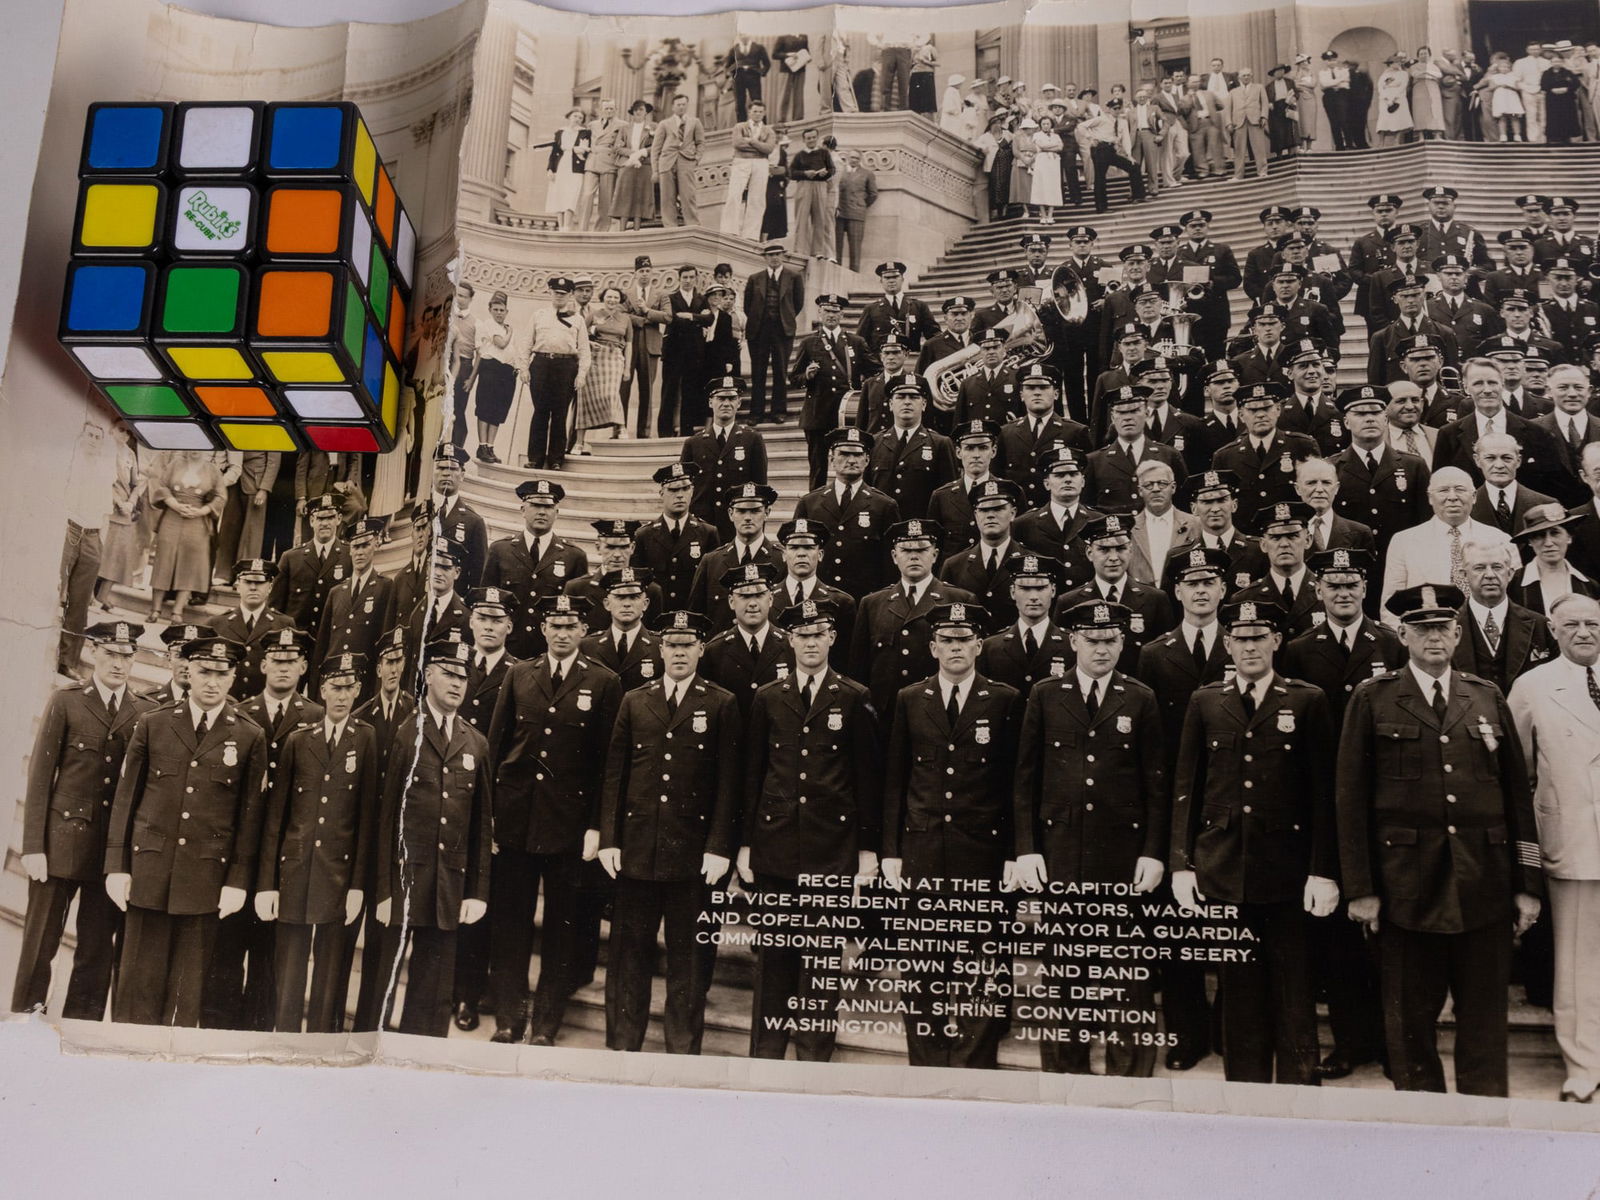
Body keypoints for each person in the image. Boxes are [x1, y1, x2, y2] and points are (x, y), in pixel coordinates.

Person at [1338, 583, 1543, 1096]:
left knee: (1484, 1021)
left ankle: (1485, 1123)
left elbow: (1518, 798)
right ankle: (1421, 1120)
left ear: (1457, 634)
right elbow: (1350, 800)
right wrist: (1361, 888)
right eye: (1422, 628)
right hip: (1407, 889)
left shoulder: (1485, 695)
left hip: (1484, 885)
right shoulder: (1374, 697)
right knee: (1410, 1023)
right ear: (1402, 634)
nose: (1434, 637)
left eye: (1443, 628)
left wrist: (1527, 885)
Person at [1170, 599, 1339, 1085]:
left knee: (1293, 988)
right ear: (1228, 644)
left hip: (1287, 872)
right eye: (1241, 638)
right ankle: (1245, 1092)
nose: (1250, 646)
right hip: (1224, 869)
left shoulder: (1306, 700)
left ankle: (1299, 1090)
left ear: (1276, 642)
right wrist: (1182, 863)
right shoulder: (1206, 701)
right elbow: (1189, 786)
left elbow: (1324, 794)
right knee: (1238, 991)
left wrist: (1322, 869)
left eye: (1259, 637)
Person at [1013, 597, 1168, 1074]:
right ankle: (1064, 1072)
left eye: (1110, 641)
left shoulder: (1139, 697)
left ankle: (1127, 1076)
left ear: (1122, 642)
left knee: (1124, 972)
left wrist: (1154, 853)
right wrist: (1026, 849)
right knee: (1062, 971)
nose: (1102, 649)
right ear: (1073, 641)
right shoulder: (1045, 693)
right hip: (1060, 854)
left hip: (1121, 856)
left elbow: (1157, 784)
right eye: (1093, 640)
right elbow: (1025, 780)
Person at [880, 601, 1019, 1068]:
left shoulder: (1003, 700)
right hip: (922, 847)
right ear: (933, 646)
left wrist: (1015, 853)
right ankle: (928, 1055)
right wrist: (891, 851)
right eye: (947, 640)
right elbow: (895, 779)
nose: (956, 648)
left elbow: (1012, 782)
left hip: (982, 850)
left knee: (983, 963)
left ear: (979, 645)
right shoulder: (909, 698)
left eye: (964, 640)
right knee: (922, 962)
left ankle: (975, 1058)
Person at [105, 637, 268, 1027]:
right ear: (188, 672)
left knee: (186, 997)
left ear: (233, 678)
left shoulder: (249, 736)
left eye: (222, 674)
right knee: (136, 992)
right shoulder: (154, 723)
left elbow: (250, 820)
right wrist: (117, 865)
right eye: (205, 672)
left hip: (205, 882)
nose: (212, 682)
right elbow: (126, 800)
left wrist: (238, 881)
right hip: (149, 875)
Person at [597, 610, 739, 1054]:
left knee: (689, 962)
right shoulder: (635, 700)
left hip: (693, 858)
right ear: (661, 650)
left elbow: (728, 784)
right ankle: (623, 1047)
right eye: (672, 645)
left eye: (688, 645)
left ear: (701, 649)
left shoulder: (721, 703)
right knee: (628, 958)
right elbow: (615, 776)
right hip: (637, 852)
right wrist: (609, 838)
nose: (679, 653)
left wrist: (719, 847)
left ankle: (682, 1051)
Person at [482, 594, 621, 1045]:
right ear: (543, 630)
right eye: (555, 625)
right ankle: (510, 1019)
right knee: (511, 926)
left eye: (571, 626)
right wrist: (490, 820)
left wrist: (597, 828)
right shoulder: (519, 675)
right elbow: (496, 748)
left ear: (584, 631)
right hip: (516, 820)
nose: (562, 633)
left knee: (561, 931)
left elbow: (607, 765)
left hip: (569, 828)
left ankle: (545, 1026)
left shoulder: (603, 682)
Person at [12, 622, 153, 1019]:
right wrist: (33, 845)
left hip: (109, 854)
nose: (119, 664)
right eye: (111, 654)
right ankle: (25, 1018)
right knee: (41, 941)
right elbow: (41, 777)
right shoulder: (67, 701)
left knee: (95, 948)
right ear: (93, 653)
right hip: (59, 843)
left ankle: (81, 1026)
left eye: (127, 656)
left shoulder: (143, 711)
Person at [372, 638, 492, 1038]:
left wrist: (476, 890)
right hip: (404, 881)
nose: (458, 683)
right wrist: (383, 888)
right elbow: (385, 817)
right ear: (428, 675)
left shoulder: (476, 742)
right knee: (380, 986)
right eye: (449, 674)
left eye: (464, 676)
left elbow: (480, 825)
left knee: (434, 990)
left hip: (448, 883)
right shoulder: (407, 733)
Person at [252, 651, 377, 1033]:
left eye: (349, 688)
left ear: (357, 691)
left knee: (328, 974)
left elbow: (366, 819)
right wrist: (268, 884)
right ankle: (286, 1042)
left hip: (337, 876)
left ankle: (321, 1045)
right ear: (321, 690)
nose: (341, 696)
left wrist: (357, 885)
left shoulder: (366, 739)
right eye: (335, 687)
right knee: (288, 974)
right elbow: (277, 819)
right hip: (295, 872)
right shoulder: (298, 740)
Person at [1508, 593, 1600, 1101]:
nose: (1584, 632)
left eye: (1592, 623)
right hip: (1574, 843)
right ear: (1553, 629)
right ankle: (1584, 1068)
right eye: (1573, 625)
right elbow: (1519, 773)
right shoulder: (1533, 686)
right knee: (1579, 964)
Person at [481, 478, 589, 661]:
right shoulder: (500, 550)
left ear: (557, 512)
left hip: (550, 653)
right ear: (523, 510)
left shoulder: (574, 556)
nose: (541, 512)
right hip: (507, 649)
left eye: (547, 507)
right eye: (535, 505)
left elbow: (577, 612)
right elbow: (488, 604)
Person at [791, 297, 868, 489]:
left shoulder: (855, 342)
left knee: (850, 463)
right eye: (827, 311)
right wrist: (806, 376)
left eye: (835, 311)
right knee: (818, 467)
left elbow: (874, 370)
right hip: (817, 414)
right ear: (820, 313)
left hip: (847, 415)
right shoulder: (809, 343)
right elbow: (794, 378)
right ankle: (815, 507)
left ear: (842, 314)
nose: (831, 315)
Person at [144, 449, 225, 626]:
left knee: (190, 563)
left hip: (197, 520)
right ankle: (155, 609)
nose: (196, 451)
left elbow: (221, 496)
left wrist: (202, 510)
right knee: (163, 560)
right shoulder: (175, 464)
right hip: (172, 517)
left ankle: (177, 612)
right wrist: (174, 504)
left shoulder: (213, 470)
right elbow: (162, 486)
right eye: (193, 446)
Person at [523, 276, 591, 471]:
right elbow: (527, 342)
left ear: (570, 295)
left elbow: (585, 351)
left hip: (566, 367)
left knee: (560, 414)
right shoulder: (539, 315)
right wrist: (524, 368)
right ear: (550, 293)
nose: (559, 297)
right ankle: (535, 458)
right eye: (556, 293)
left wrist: (581, 375)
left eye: (563, 294)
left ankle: (555, 460)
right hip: (541, 365)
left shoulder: (577, 319)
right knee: (540, 412)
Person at [743, 244, 804, 426]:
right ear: (765, 258)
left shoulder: (793, 277)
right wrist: (759, 320)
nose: (774, 258)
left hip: (782, 330)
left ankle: (778, 411)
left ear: (783, 256)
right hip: (759, 330)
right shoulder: (755, 278)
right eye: (770, 255)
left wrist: (784, 318)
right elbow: (748, 306)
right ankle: (756, 413)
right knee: (758, 372)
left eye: (777, 254)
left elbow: (798, 304)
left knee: (780, 371)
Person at [575, 286, 630, 454]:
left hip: (615, 357)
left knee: (612, 393)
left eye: (615, 297)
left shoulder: (625, 318)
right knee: (585, 398)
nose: (612, 300)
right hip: (595, 357)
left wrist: (627, 368)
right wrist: (590, 343)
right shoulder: (594, 315)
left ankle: (621, 428)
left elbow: (629, 344)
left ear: (620, 300)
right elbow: (579, 336)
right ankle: (578, 442)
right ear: (603, 298)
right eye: (609, 297)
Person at [721, 100, 777, 242]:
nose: (757, 114)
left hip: (761, 163)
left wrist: (752, 142)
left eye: (760, 111)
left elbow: (769, 149)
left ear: (764, 113)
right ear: (749, 112)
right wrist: (760, 146)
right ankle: (729, 229)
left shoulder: (769, 131)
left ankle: (751, 234)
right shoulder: (740, 127)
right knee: (734, 194)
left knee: (757, 198)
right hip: (741, 161)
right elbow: (737, 144)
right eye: (754, 111)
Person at [653, 92, 703, 227]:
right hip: (667, 163)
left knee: (688, 196)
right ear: (673, 107)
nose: (681, 107)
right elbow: (656, 148)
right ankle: (670, 227)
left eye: (684, 104)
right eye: (678, 105)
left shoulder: (695, 122)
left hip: (686, 161)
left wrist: (697, 159)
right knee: (667, 198)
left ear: (687, 106)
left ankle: (692, 226)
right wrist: (655, 170)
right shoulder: (664, 124)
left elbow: (700, 142)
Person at [787, 125, 835, 260]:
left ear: (817, 138)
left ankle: (817, 250)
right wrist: (804, 173)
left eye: (814, 137)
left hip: (820, 186)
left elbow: (832, 169)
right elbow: (791, 173)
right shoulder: (799, 155)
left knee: (819, 218)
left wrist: (825, 173)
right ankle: (799, 249)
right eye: (808, 138)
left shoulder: (824, 153)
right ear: (804, 140)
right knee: (802, 218)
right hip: (804, 186)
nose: (811, 140)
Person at [607, 100, 655, 231]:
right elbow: (617, 147)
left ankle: (637, 230)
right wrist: (633, 154)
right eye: (636, 110)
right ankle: (621, 230)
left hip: (644, 165)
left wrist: (642, 153)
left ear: (646, 112)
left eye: (641, 110)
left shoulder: (653, 128)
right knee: (624, 195)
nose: (638, 112)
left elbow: (656, 146)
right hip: (627, 164)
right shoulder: (624, 129)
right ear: (632, 112)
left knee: (641, 195)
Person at [542, 109, 590, 230]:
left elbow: (585, 149)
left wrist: (577, 149)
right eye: (575, 116)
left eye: (580, 117)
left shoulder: (585, 132)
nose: (577, 119)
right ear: (569, 117)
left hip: (576, 167)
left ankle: (567, 226)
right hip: (561, 165)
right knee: (558, 194)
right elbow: (554, 152)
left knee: (571, 195)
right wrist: (550, 169)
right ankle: (561, 226)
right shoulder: (560, 132)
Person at [577, 99, 620, 232]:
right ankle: (582, 228)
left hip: (609, 162)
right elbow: (585, 141)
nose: (609, 111)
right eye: (606, 108)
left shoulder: (622, 125)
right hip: (592, 160)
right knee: (587, 195)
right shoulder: (592, 125)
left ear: (615, 110)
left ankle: (601, 230)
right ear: (601, 110)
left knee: (606, 198)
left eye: (611, 108)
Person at [835, 149, 878, 272]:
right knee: (836, 244)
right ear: (847, 157)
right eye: (852, 157)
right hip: (839, 212)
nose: (854, 160)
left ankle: (854, 272)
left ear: (860, 160)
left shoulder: (867, 174)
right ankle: (836, 269)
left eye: (857, 158)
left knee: (855, 246)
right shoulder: (839, 172)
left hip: (857, 214)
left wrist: (862, 204)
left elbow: (873, 194)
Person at [1225, 67, 1271, 181]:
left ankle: (1262, 171)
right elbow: (1228, 109)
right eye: (1243, 75)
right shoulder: (1233, 92)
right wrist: (1229, 123)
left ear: (1252, 76)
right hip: (1238, 122)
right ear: (1239, 77)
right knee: (1239, 150)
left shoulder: (1259, 87)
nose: (1246, 77)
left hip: (1255, 120)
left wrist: (1264, 116)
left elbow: (1265, 103)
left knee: (1259, 147)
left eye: (1248, 75)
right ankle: (1238, 175)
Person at [1030, 114, 1064, 224]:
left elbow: (1061, 147)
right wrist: (1053, 146)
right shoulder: (1036, 135)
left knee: (1053, 187)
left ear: (1051, 125)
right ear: (1040, 125)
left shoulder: (1056, 135)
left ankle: (1050, 215)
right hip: (1042, 161)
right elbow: (1041, 145)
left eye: (1048, 124)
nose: (1045, 126)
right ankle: (1043, 215)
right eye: (1043, 124)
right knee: (1041, 186)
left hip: (1053, 162)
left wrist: (1049, 146)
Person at [1375, 55, 1414, 147]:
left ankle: (1396, 140)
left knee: (1399, 119)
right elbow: (1380, 87)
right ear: (1390, 64)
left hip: (1398, 97)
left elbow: (1402, 86)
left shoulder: (1403, 74)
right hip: (1385, 99)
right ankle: (1381, 142)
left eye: (1399, 62)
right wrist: (1386, 98)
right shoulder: (1384, 75)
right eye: (1395, 62)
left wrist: (1393, 98)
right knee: (1384, 120)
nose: (1398, 64)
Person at [1410, 48, 1445, 140]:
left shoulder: (1434, 66)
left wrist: (1425, 72)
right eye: (1421, 54)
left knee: (1435, 111)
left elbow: (1439, 75)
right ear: (1418, 56)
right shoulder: (1414, 66)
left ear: (1429, 55)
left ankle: (1437, 135)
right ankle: (1421, 136)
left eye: (1425, 53)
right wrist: (1430, 74)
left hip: (1433, 89)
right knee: (1420, 111)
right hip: (1419, 90)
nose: (1423, 55)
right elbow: (1415, 74)